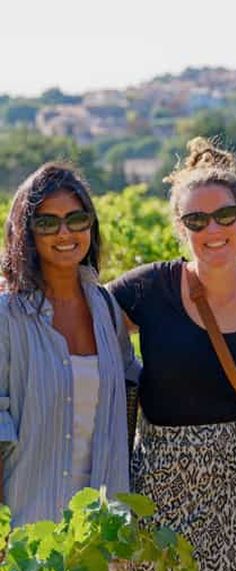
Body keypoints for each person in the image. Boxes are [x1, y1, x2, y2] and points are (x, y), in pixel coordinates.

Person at [108, 138, 236, 571]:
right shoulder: (150, 288)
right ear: (180, 227)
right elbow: (78, 323)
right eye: (196, 220)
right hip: (162, 497)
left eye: (224, 215)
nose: (213, 229)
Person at [0, 163, 137, 526]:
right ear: (26, 232)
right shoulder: (7, 316)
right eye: (47, 222)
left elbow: (133, 390)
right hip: (26, 526)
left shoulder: (106, 309)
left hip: (96, 531)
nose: (65, 232)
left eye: (76, 219)